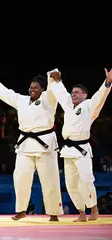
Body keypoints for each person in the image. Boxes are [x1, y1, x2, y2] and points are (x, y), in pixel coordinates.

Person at [0, 69, 63, 221]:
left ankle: (53, 213)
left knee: (50, 179)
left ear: (43, 89)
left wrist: (53, 78)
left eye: (36, 87)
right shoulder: (21, 100)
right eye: (31, 87)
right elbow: (6, 93)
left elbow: (53, 89)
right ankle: (21, 210)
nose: (32, 89)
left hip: (45, 143)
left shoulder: (49, 99)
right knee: (20, 177)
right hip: (25, 145)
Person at [49, 68, 112, 222]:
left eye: (77, 92)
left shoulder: (90, 106)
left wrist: (107, 83)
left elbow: (100, 97)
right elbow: (62, 94)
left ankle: (94, 209)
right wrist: (56, 79)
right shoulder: (69, 105)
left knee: (86, 180)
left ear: (85, 95)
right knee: (71, 184)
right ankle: (81, 212)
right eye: (73, 92)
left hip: (82, 149)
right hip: (67, 150)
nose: (73, 94)